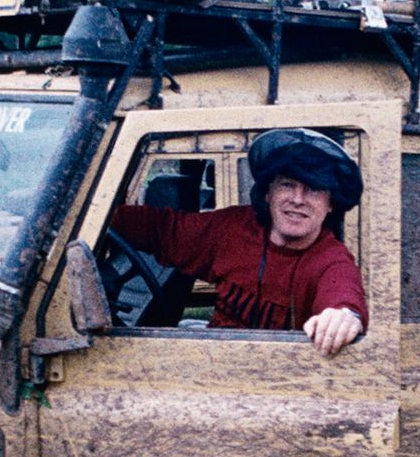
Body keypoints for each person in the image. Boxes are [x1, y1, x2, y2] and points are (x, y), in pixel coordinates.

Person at [110, 129, 368, 356]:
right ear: (268, 193)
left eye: (312, 189)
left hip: (278, 379)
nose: (297, 199)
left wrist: (343, 317)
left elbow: (343, 297)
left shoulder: (331, 260)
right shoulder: (233, 228)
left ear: (331, 203)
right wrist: (95, 215)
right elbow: (162, 229)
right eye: (287, 185)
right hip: (212, 357)